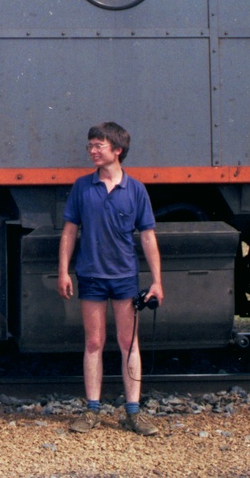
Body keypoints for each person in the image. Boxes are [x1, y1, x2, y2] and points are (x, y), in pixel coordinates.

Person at [57, 121, 163, 436]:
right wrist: (63, 270)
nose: (91, 151)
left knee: (129, 343)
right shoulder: (81, 187)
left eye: (98, 146)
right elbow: (69, 231)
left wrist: (157, 280)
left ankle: (133, 412)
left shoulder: (136, 190)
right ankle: (92, 410)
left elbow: (148, 237)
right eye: (90, 145)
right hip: (90, 275)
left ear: (117, 150)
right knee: (93, 342)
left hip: (124, 277)